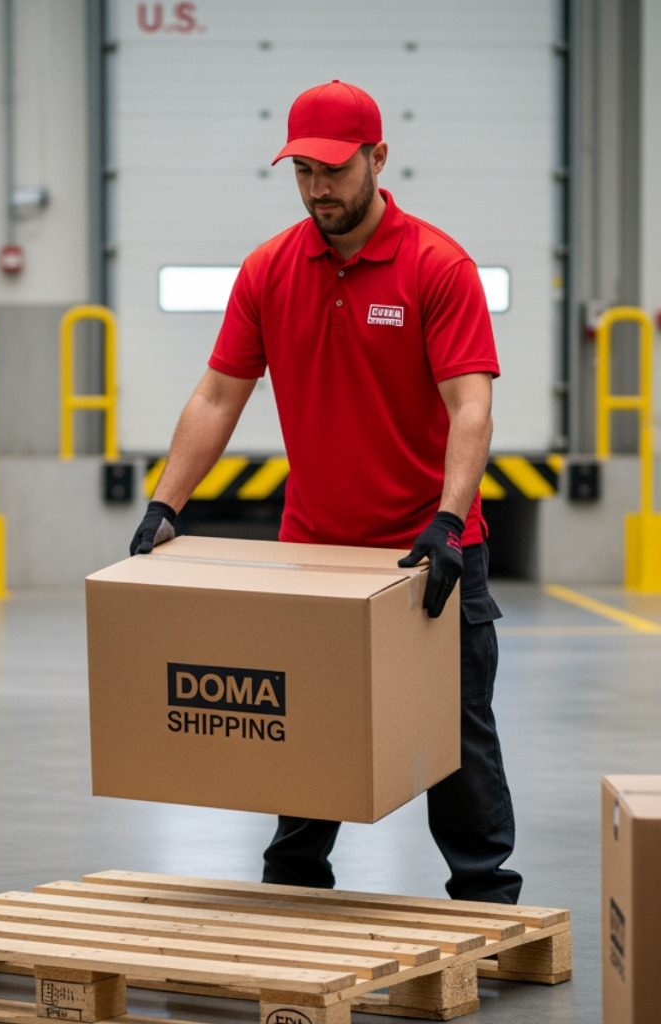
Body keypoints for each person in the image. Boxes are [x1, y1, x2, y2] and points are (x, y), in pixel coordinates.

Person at [128, 80, 520, 904]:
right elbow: (217, 395)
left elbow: (471, 407)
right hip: (316, 554)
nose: (318, 188)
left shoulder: (435, 267)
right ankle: (293, 886)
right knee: (306, 724)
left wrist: (450, 521)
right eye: (303, 169)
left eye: (335, 170)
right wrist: (166, 504)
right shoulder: (271, 269)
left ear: (378, 159)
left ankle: (486, 904)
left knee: (455, 733)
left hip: (429, 553)